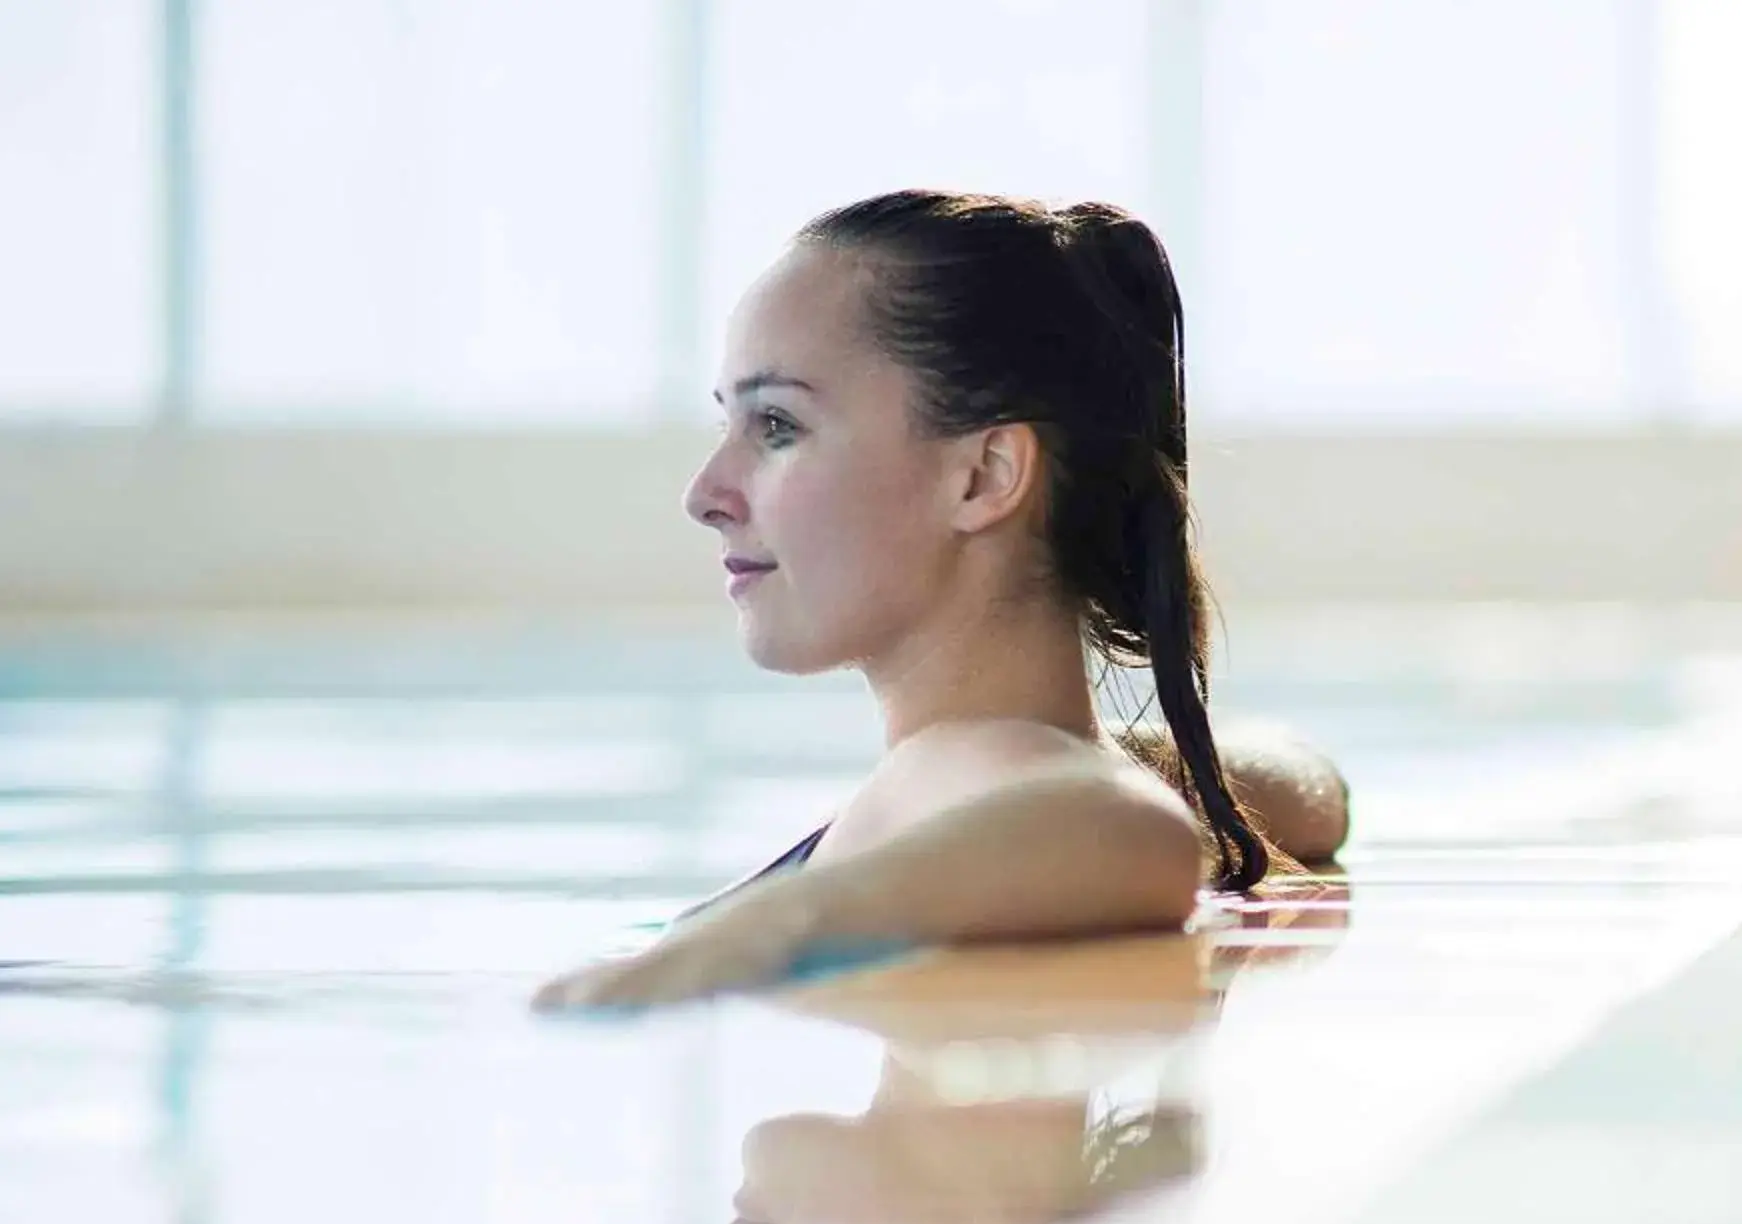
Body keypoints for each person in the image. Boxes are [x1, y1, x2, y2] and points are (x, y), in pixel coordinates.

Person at [534, 191, 1348, 1013]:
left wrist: (745, 941)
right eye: (730, 426)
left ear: (983, 476)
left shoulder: (967, 774)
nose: (706, 494)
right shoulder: (1025, 771)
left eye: (777, 425)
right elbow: (1311, 790)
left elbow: (1131, 834)